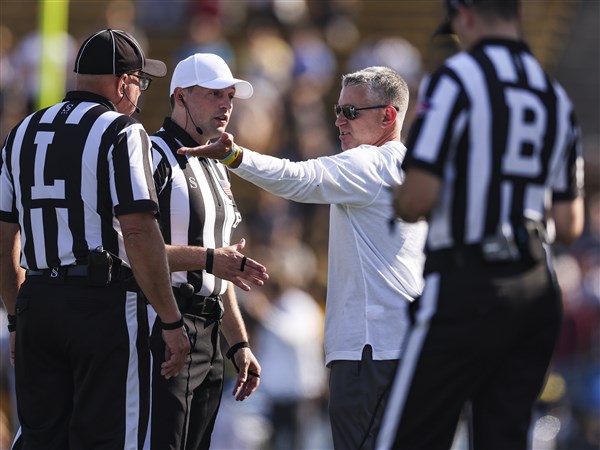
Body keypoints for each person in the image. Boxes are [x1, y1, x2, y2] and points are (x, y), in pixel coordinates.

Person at [179, 65, 428, 450]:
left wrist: (235, 156)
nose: (338, 121)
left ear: (388, 115)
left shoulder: (371, 163)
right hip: (405, 347)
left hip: (370, 352)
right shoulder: (412, 170)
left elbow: (299, 178)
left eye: (350, 112)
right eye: (337, 109)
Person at [375, 1, 586, 448]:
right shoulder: (555, 96)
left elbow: (417, 198)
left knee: (408, 437)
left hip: (467, 281)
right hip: (536, 287)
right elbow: (570, 224)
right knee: (503, 438)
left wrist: (399, 197)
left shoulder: (455, 79)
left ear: (464, 14)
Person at [0, 29, 190, 450]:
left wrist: (17, 317)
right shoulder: (121, 130)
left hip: (38, 301)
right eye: (142, 81)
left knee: (41, 438)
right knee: (110, 438)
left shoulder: (22, 132)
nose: (141, 92)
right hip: (100, 304)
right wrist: (171, 319)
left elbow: (2, 242)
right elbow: (139, 231)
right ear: (124, 82)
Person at [146, 53, 266, 450]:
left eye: (230, 96)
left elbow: (224, 268)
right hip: (166, 324)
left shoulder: (216, 163)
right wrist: (211, 260)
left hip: (210, 332)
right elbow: (132, 249)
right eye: (214, 94)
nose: (226, 105)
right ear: (180, 96)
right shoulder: (150, 154)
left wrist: (239, 343)